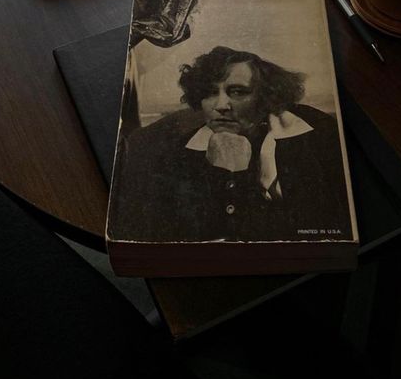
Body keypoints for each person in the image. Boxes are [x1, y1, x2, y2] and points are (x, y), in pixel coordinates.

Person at [111, 46, 353, 242]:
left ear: (267, 96)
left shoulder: (317, 133)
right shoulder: (176, 155)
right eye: (210, 93)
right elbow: (196, 237)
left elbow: (325, 226)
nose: (221, 105)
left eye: (237, 92)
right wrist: (227, 173)